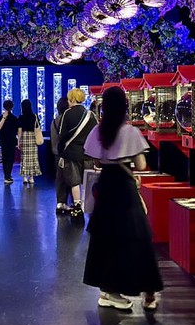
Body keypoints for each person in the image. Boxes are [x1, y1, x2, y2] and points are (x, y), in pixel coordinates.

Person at [82, 86, 164, 312]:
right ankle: (148, 292)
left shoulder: (98, 131)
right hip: (125, 189)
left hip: (106, 187)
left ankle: (107, 291)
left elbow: (96, 162)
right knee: (138, 236)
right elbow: (140, 165)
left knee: (105, 239)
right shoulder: (130, 132)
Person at [56, 88, 97, 223]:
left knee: (74, 181)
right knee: (87, 181)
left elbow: (62, 134)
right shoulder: (91, 115)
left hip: (71, 153)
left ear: (72, 99)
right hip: (88, 153)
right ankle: (91, 206)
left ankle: (77, 206)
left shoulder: (67, 114)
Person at [50, 96, 71, 213]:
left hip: (57, 154)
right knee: (72, 178)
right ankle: (74, 203)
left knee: (60, 178)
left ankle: (60, 202)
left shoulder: (54, 122)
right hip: (68, 153)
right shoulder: (68, 120)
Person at [16, 99, 42, 184]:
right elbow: (38, 127)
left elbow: (19, 130)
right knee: (33, 158)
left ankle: (24, 177)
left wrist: (19, 141)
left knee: (24, 158)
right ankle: (31, 177)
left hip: (24, 138)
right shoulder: (34, 116)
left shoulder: (21, 117)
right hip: (33, 137)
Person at [0, 99, 18, 184]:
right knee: (10, 158)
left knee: (4, 158)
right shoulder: (14, 118)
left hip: (3, 141)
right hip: (12, 141)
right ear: (12, 107)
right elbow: (16, 130)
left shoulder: (1, 118)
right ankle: (8, 175)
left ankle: (6, 175)